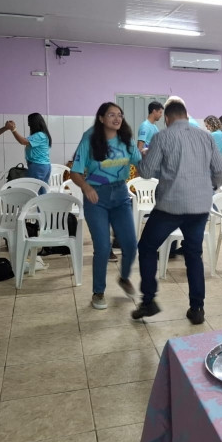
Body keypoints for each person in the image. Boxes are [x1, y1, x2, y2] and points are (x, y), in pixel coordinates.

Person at [132, 101, 222, 324]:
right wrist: (208, 188)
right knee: (194, 254)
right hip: (200, 207)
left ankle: (148, 301)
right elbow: (220, 173)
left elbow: (146, 172)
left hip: (170, 206)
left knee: (147, 247)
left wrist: (141, 157)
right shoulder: (205, 137)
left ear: (167, 118)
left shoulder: (162, 137)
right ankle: (197, 308)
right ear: (185, 115)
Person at [70, 102, 141, 309]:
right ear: (101, 118)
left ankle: (124, 278)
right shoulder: (90, 138)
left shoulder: (126, 139)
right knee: (102, 247)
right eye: (111, 115)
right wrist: (86, 187)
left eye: (120, 115)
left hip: (121, 196)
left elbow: (140, 163)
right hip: (96, 197)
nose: (117, 118)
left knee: (130, 245)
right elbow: (75, 172)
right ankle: (98, 292)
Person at [10, 113, 52, 188]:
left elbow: (23, 141)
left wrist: (13, 130)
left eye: (29, 122)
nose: (28, 124)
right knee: (41, 190)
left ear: (34, 123)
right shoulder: (44, 134)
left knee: (31, 189)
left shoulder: (39, 135)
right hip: (44, 166)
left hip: (37, 166)